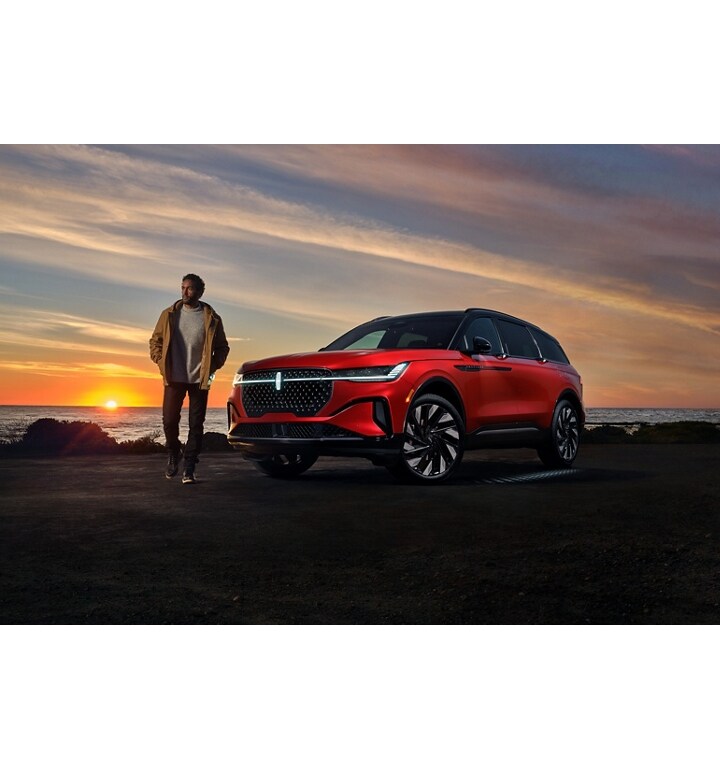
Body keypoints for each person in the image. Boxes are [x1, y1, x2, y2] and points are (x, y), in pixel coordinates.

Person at [149, 274, 230, 484]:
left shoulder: (211, 318)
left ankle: (189, 467)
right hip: (173, 377)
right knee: (169, 421)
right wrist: (159, 360)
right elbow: (155, 341)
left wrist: (212, 367)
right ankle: (173, 452)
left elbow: (223, 347)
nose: (185, 292)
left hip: (199, 379)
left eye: (190, 288)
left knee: (196, 424)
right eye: (183, 287)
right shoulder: (169, 314)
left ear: (200, 292)